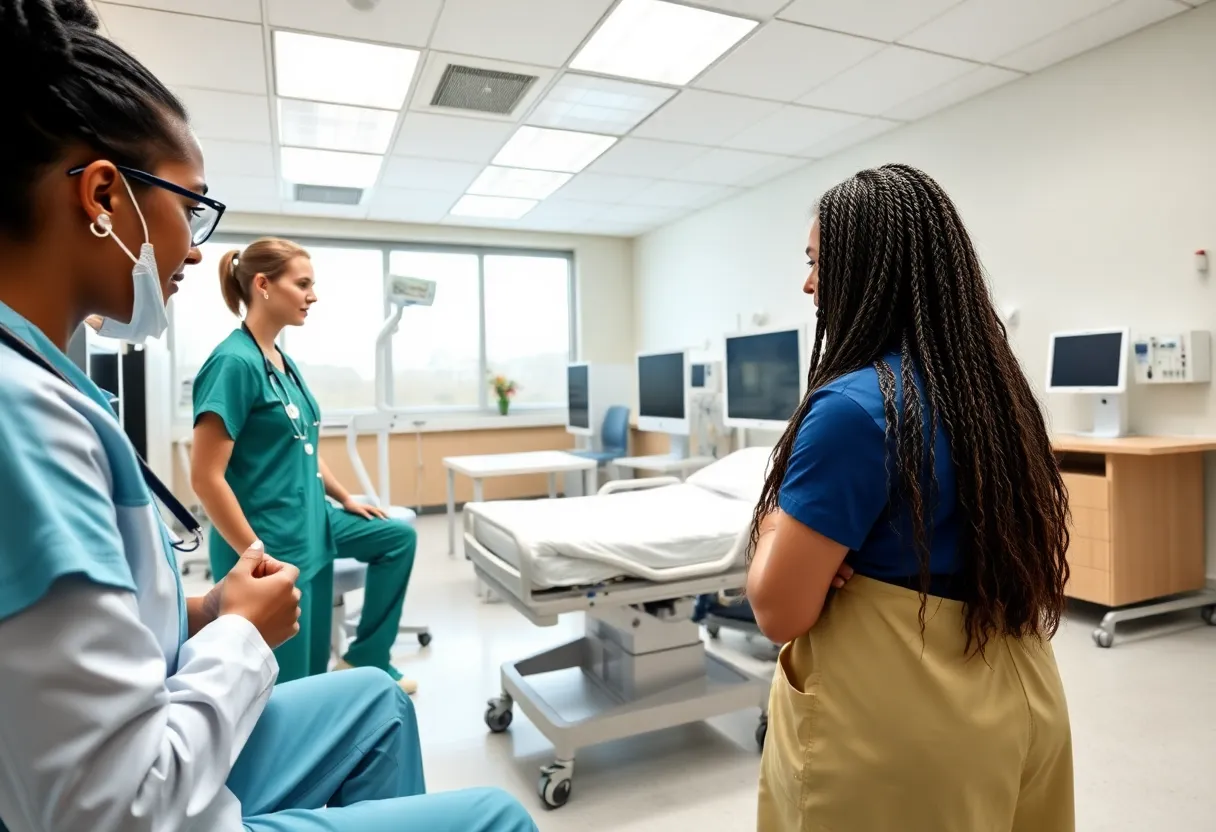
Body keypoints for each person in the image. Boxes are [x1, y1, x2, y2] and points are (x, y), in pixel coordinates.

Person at [0, 3, 536, 831]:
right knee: (494, 816)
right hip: (151, 787)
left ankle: (368, 660)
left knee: (374, 697)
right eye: (190, 207)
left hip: (266, 570)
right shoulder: (30, 413)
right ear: (103, 194)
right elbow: (111, 805)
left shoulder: (55, 384)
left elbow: (301, 446)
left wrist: (204, 611)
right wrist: (240, 630)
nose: (194, 247)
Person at [746, 164, 1074, 831]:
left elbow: (778, 609)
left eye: (817, 263)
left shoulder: (853, 410)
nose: (809, 284)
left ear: (867, 269)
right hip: (1022, 702)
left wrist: (775, 525)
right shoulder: (995, 395)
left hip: (903, 725)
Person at [190, 238, 419, 691]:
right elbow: (205, 478)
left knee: (396, 538)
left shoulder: (280, 360)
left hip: (311, 523)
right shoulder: (233, 363)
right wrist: (257, 556)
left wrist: (346, 498)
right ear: (263, 285)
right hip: (270, 541)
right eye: (302, 284)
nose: (312, 296)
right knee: (292, 690)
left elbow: (303, 445)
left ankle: (367, 655)